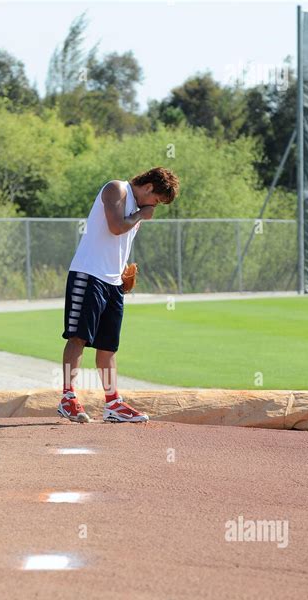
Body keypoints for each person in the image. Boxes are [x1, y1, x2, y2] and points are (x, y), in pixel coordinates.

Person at [58, 166, 180, 423]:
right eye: (156, 200)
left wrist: (122, 269)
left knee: (108, 346)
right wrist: (140, 215)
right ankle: (68, 399)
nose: (154, 207)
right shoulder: (117, 188)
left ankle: (113, 404)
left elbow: (117, 241)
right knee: (78, 337)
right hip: (88, 274)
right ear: (148, 187)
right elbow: (115, 227)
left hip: (112, 281)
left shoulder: (137, 209)